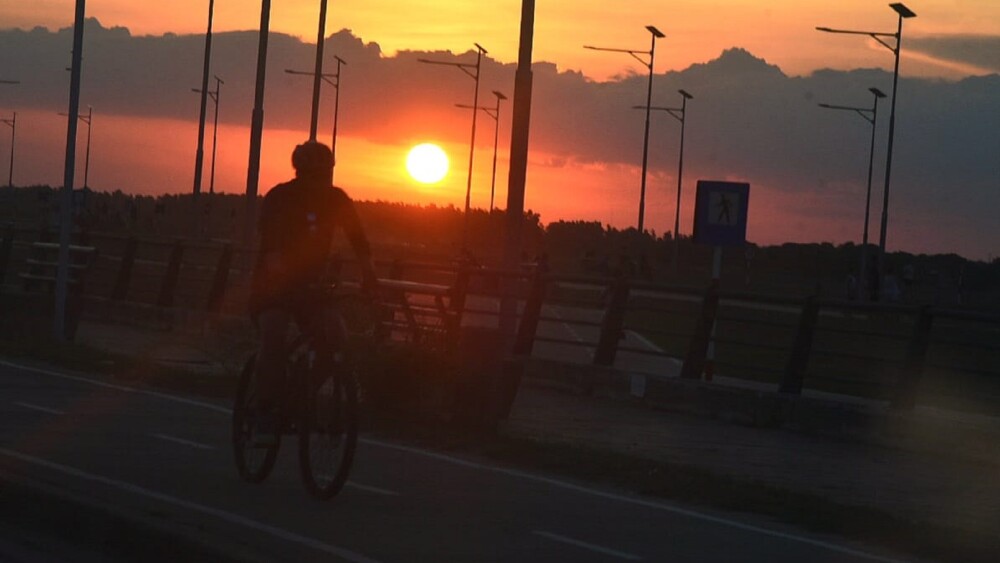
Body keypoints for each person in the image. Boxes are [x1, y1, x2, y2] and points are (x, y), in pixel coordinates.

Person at [249, 141, 377, 440]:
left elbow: (358, 239)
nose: (322, 181)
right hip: (273, 286)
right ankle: (265, 410)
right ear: (301, 173)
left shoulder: (336, 199)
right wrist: (282, 271)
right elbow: (271, 247)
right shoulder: (280, 198)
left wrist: (369, 274)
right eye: (316, 175)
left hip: (313, 287)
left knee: (336, 338)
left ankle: (302, 396)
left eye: (326, 174)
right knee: (274, 335)